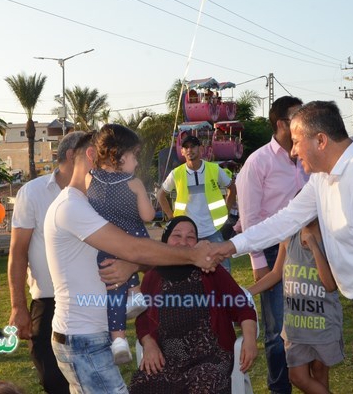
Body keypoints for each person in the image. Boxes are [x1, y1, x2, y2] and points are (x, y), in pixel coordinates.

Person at [211, 101, 353, 393]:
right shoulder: (323, 176)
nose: (292, 151)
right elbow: (287, 219)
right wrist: (230, 246)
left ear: (320, 140)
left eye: (296, 142)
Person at [44, 131, 220, 394]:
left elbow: (128, 253)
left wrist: (132, 266)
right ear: (91, 155)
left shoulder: (89, 204)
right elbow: (134, 247)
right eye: (104, 155)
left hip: (90, 335)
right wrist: (192, 254)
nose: (111, 161)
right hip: (82, 338)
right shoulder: (72, 207)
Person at [128, 216, 257, 394]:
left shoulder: (210, 269)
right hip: (168, 359)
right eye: (177, 235)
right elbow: (142, 319)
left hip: (211, 357)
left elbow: (243, 307)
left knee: (203, 385)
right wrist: (149, 344)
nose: (183, 242)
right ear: (165, 240)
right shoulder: (153, 276)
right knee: (142, 383)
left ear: (197, 243)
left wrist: (249, 340)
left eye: (190, 237)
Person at [236, 95, 307, 393]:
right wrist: (258, 263)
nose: (304, 122)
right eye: (297, 118)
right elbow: (250, 218)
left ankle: (306, 379)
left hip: (307, 249)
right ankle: (280, 387)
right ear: (281, 124)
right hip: (269, 251)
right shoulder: (258, 162)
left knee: (307, 323)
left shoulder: (308, 157)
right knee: (278, 331)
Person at [7, 131, 85, 394]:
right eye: (92, 153)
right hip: (48, 302)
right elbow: (18, 252)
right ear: (73, 155)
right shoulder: (33, 192)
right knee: (52, 378)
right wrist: (18, 306)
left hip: (90, 302)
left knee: (89, 379)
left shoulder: (97, 193)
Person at [248, 219, 343, 394]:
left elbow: (330, 285)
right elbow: (276, 273)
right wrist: (247, 292)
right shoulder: (288, 238)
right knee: (297, 377)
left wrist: (314, 247)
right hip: (295, 325)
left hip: (322, 325)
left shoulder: (330, 240)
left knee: (320, 375)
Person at [86, 123, 154, 364]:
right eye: (134, 156)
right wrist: (143, 194)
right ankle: (135, 293)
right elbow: (148, 217)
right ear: (119, 154)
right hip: (132, 243)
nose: (136, 163)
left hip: (105, 245)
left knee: (113, 291)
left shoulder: (89, 179)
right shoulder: (132, 183)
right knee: (139, 234)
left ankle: (118, 341)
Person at [157, 134, 236, 271]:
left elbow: (232, 188)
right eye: (186, 147)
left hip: (212, 230)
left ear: (201, 149)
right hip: (188, 233)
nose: (189, 150)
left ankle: (224, 293)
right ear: (182, 151)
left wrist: (226, 211)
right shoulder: (177, 173)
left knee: (223, 270)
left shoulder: (214, 169)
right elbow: (161, 195)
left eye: (193, 146)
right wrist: (171, 217)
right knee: (188, 271)